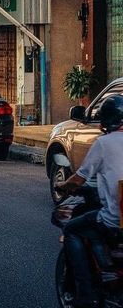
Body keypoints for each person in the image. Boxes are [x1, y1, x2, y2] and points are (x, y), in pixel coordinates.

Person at [56, 95, 123, 308]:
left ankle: (85, 294)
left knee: (72, 230)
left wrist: (63, 186)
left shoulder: (103, 143)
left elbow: (79, 179)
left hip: (115, 220)